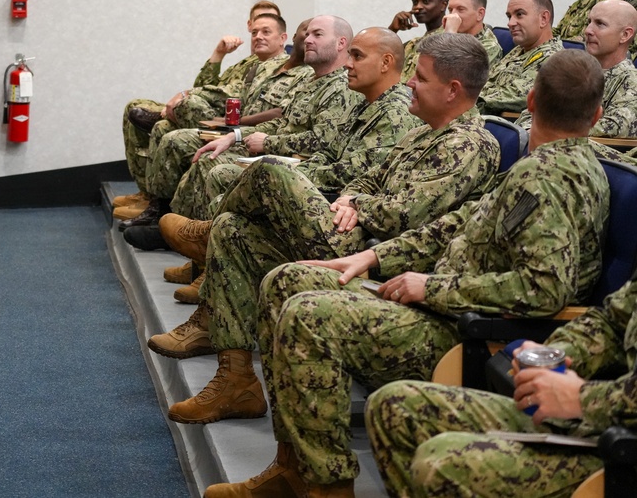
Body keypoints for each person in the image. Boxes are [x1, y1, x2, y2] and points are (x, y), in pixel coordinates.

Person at [203, 48, 610, 498]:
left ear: (530, 101)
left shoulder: (548, 177)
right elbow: (456, 224)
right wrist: (373, 260)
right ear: (597, 114)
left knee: (307, 316)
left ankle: (326, 485)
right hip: (434, 297)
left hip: (463, 329)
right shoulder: (541, 166)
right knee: (286, 281)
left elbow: (542, 291)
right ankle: (293, 465)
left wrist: (431, 287)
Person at [150, 34, 502, 430]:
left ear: (453, 90)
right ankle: (236, 381)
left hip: (375, 254)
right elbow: (367, 179)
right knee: (234, 232)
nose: (409, 85)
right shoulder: (422, 132)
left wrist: (357, 205)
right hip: (348, 230)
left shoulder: (471, 143)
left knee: (269, 171)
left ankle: (204, 235)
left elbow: (408, 214)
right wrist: (352, 199)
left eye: (419, 77)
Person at [366, 275, 637, 497]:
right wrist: (554, 354)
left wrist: (582, 398)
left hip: (621, 441)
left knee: (440, 464)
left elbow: (544, 287)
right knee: (393, 407)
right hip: (603, 419)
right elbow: (611, 322)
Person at [123, 14, 356, 229]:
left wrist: (266, 142)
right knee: (205, 150)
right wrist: (234, 136)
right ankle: (175, 224)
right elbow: (280, 122)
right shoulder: (311, 82)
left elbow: (321, 142)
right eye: (306, 34)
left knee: (213, 165)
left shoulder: (340, 86)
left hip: (300, 163)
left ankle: (191, 233)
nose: (307, 40)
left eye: (317, 35)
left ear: (341, 43)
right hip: (262, 142)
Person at [116, 2, 283, 218]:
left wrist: (187, 98)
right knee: (158, 122)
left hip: (231, 124)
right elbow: (203, 85)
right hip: (216, 115)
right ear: (249, 26)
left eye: (266, 30)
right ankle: (151, 198)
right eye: (255, 30)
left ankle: (161, 208)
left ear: (282, 37)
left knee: (179, 115)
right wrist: (218, 54)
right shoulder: (246, 64)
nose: (259, 35)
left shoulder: (280, 65)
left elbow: (230, 97)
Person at [518, 0, 637, 137]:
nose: (587, 31)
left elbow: (618, 127)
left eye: (600, 24)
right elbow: (535, 109)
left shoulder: (630, 80)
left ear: (625, 35)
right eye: (589, 22)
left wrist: (550, 130)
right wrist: (529, 131)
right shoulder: (572, 70)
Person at [477, 0, 563, 116]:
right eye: (509, 16)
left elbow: (518, 95)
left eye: (520, 14)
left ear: (543, 18)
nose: (510, 23)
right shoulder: (519, 50)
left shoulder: (555, 60)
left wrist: (466, 100)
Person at [387, 0, 449, 82]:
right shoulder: (413, 44)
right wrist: (392, 30)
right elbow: (378, 59)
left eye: (426, 1)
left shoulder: (452, 39)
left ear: (443, 5)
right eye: (415, 2)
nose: (418, 7)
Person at [442, 0, 503, 64]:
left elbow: (448, 71)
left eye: (460, 9)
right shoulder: (455, 34)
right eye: (450, 10)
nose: (452, 15)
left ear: (480, 14)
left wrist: (449, 34)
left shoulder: (488, 47)